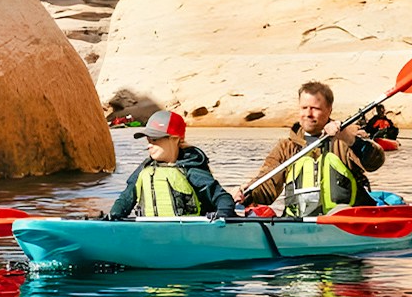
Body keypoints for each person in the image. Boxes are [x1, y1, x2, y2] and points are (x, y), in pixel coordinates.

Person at [236, 81, 386, 216]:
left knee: (339, 211)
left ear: (329, 110)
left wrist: (347, 137)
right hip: (299, 224)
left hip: (344, 220)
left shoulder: (348, 135)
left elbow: (375, 161)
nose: (308, 114)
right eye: (304, 108)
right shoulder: (286, 147)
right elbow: (267, 185)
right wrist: (247, 194)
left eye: (315, 109)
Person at [108, 110, 236, 219]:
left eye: (154, 140)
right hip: (153, 233)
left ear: (175, 139)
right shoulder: (145, 169)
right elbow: (125, 198)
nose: (149, 146)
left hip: (193, 232)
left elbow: (223, 198)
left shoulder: (191, 168)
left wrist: (222, 217)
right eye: (148, 140)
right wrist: (113, 215)